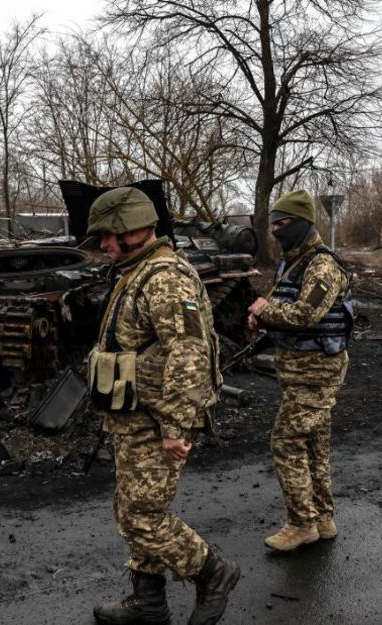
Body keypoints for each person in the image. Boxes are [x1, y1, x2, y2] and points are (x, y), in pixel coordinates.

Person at [87, 186, 240, 625]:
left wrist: (176, 425)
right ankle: (148, 602)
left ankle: (213, 571)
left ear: (131, 229)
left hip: (156, 421)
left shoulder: (165, 276)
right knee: (132, 508)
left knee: (142, 516)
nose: (103, 245)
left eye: (107, 235)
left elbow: (189, 352)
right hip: (133, 416)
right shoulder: (137, 271)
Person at [247, 189, 355, 552]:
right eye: (273, 224)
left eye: (282, 224)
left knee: (286, 441)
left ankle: (301, 524)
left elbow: (308, 314)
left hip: (316, 373)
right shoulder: (294, 261)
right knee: (313, 447)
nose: (276, 231)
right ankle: (322, 518)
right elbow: (283, 306)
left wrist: (264, 310)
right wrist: (262, 317)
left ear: (302, 223)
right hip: (298, 373)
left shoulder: (322, 265)